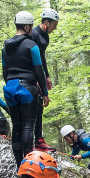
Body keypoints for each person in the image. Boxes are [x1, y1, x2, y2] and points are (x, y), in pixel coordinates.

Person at [2, 11, 50, 167]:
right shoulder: (32, 46)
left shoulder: (5, 48)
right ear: (27, 26)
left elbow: (4, 72)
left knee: (17, 127)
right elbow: (39, 70)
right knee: (28, 126)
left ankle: (18, 166)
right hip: (27, 88)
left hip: (10, 88)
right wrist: (45, 93)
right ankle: (28, 165)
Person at [29, 8, 59, 153]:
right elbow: (31, 57)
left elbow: (42, 58)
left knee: (40, 106)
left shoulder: (45, 37)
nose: (55, 28)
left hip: (39, 72)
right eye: (54, 25)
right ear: (46, 21)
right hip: (30, 73)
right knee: (35, 106)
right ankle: (34, 140)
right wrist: (35, 78)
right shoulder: (33, 34)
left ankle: (39, 139)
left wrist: (46, 76)